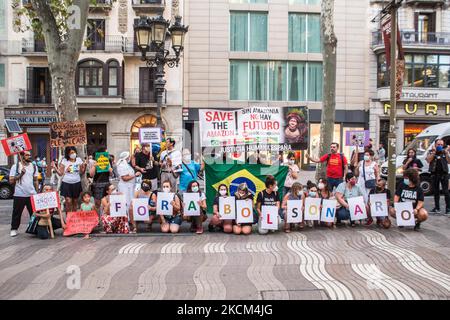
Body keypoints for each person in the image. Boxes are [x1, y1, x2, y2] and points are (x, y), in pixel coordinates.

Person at [9, 151, 39, 237]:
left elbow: (36, 180)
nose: (29, 156)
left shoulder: (33, 166)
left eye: (30, 154)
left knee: (34, 214)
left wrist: (36, 192)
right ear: (21, 156)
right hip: (19, 194)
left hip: (31, 194)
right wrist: (21, 174)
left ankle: (34, 228)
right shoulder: (16, 166)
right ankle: (14, 229)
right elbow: (11, 180)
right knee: (16, 213)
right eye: (27, 155)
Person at [53, 146, 86, 213]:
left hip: (76, 183)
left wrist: (85, 166)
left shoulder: (79, 160)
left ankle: (73, 218)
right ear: (68, 154)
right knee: (68, 201)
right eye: (71, 153)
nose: (73, 154)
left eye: (74, 152)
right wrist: (55, 168)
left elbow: (82, 172)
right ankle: (68, 218)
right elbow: (60, 173)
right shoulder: (64, 161)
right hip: (66, 183)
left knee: (75, 202)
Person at [426, 139, 450, 214]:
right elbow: (428, 160)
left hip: (444, 174)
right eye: (438, 144)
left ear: (443, 145)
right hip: (434, 174)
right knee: (436, 192)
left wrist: (446, 152)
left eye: (441, 145)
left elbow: (449, 161)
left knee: (446, 191)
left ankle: (448, 208)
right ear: (435, 144)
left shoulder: (445, 151)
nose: (439, 146)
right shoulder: (431, 151)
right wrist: (434, 152)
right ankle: (437, 207)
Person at [89, 147, 113, 214]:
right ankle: (97, 220)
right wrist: (94, 166)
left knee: (107, 203)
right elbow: (91, 174)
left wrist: (110, 170)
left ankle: (106, 219)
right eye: (105, 152)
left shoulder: (108, 160)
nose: (107, 154)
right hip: (97, 183)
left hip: (106, 183)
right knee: (97, 203)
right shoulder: (94, 161)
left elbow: (111, 174)